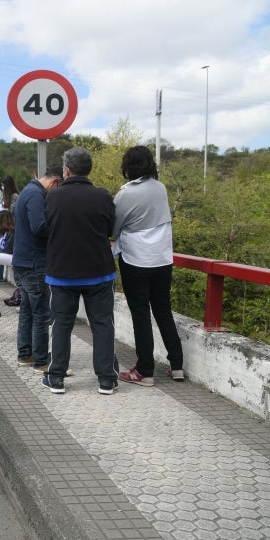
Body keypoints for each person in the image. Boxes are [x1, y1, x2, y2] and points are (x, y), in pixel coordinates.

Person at [43, 147, 119, 395]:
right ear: (89, 169)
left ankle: (56, 378)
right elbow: (110, 229)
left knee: (62, 324)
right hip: (98, 271)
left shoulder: (53, 197)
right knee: (102, 324)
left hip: (62, 272)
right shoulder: (103, 196)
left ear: (66, 170)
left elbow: (48, 228)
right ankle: (106, 379)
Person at [113, 146, 185, 386]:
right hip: (162, 259)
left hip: (136, 259)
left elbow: (113, 230)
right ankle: (177, 365)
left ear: (128, 166)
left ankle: (144, 370)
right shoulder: (160, 188)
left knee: (141, 313)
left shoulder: (125, 194)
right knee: (163, 309)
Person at [12, 167, 62, 374]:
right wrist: (60, 230)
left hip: (23, 261)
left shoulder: (28, 191)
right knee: (41, 313)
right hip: (35, 263)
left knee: (27, 312)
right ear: (55, 181)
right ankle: (41, 360)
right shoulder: (35, 194)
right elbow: (39, 227)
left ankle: (25, 354)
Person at [0, 176, 19, 281]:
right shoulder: (5, 197)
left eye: (3, 185)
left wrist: (1, 206)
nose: (2, 187)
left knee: (0, 249)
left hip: (8, 227)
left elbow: (12, 211)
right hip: (3, 227)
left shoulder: (14, 196)